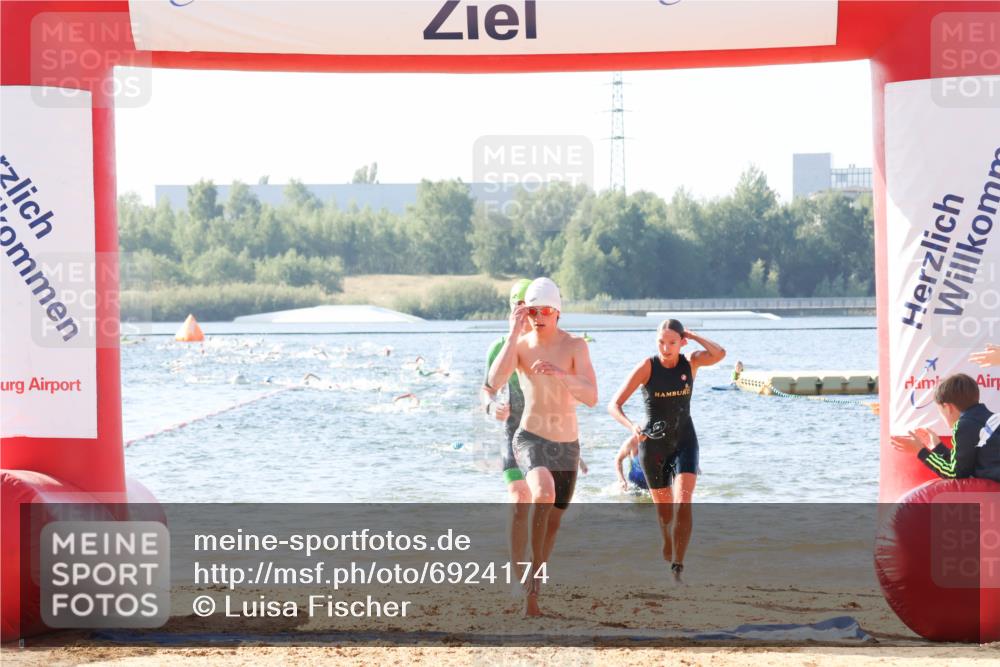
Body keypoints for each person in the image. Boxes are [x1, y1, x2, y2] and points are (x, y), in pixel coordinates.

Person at [488, 277, 598, 616]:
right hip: (531, 437)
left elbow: (592, 397)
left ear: (558, 312)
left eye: (546, 311)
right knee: (542, 492)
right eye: (532, 311)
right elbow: (493, 382)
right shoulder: (520, 345)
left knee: (553, 524)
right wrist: (511, 335)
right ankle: (529, 589)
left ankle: (534, 585)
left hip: (567, 445)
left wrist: (560, 374)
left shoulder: (576, 346)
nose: (539, 317)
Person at [608, 319, 726, 584]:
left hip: (685, 439)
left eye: (672, 342)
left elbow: (720, 354)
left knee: (684, 500)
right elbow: (613, 404)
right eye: (661, 341)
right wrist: (631, 426)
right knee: (665, 513)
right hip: (653, 446)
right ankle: (666, 538)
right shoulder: (647, 366)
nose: (665, 347)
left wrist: (693, 336)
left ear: (681, 342)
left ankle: (678, 566)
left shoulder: (691, 362)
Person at [480, 278, 533, 595]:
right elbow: (486, 389)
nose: (525, 314)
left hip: (547, 435)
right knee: (518, 500)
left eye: (530, 307)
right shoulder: (499, 347)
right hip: (513, 432)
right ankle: (518, 577)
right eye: (519, 307)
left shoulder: (549, 344)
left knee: (545, 504)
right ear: (512, 309)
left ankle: (535, 569)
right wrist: (490, 407)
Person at [891, 373, 1000, 482]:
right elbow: (963, 466)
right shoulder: (990, 419)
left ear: (948, 408)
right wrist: (937, 447)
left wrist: (920, 451)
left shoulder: (964, 425)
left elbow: (954, 474)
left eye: (940, 411)